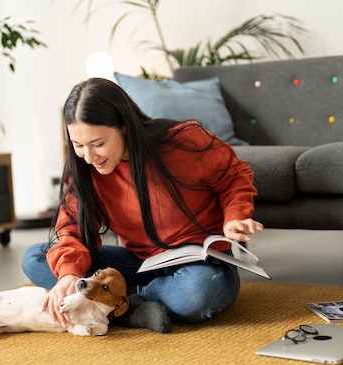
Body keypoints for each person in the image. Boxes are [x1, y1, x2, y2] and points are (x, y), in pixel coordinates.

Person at [21, 77, 262, 333]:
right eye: (78, 145)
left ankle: (119, 303)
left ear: (124, 126)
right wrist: (69, 274)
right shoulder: (83, 169)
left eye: (98, 144)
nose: (89, 157)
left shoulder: (183, 142)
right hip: (140, 263)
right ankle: (130, 305)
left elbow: (233, 175)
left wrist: (234, 216)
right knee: (35, 258)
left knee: (196, 293)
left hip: (199, 263)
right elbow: (72, 227)